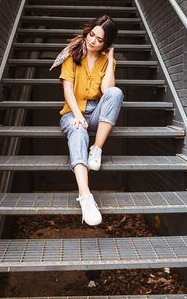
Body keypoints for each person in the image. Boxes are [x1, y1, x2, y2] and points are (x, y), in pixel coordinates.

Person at [54, 15, 124, 226]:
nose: (93, 41)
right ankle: (85, 197)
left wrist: (110, 59)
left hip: (95, 113)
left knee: (116, 93)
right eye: (91, 35)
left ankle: (97, 149)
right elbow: (67, 90)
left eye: (100, 39)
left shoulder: (106, 61)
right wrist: (76, 116)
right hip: (72, 112)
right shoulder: (71, 55)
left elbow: (107, 91)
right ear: (87, 32)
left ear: (106, 43)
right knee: (78, 131)